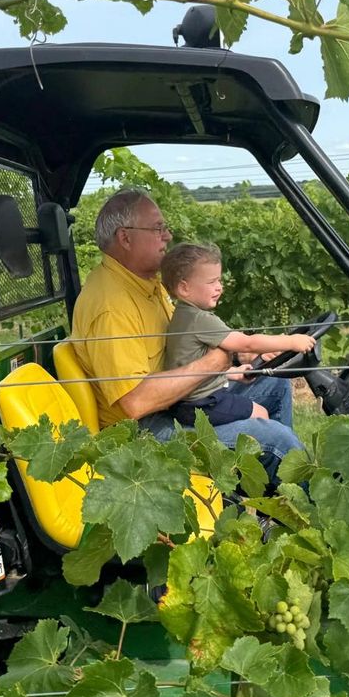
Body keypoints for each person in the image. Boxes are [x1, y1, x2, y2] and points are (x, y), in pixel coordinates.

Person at [70, 189, 305, 483]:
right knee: (275, 438)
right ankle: (302, 511)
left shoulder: (145, 285)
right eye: (158, 228)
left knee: (274, 385)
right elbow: (134, 403)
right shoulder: (112, 306)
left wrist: (232, 368)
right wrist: (216, 362)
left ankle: (269, 494)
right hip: (149, 432)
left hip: (179, 405)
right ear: (125, 237)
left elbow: (181, 351)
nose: (167, 236)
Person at [160, 242, 316, 428]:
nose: (219, 287)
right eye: (211, 282)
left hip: (190, 400)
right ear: (184, 288)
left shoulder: (182, 314)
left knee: (274, 388)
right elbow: (246, 343)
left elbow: (191, 363)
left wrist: (232, 373)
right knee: (261, 415)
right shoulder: (199, 319)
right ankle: (275, 451)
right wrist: (290, 341)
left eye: (219, 280)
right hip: (202, 404)